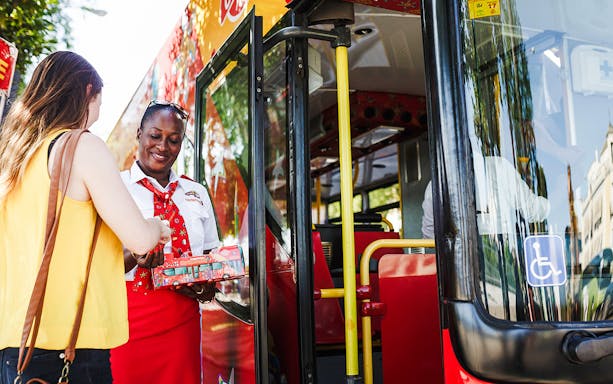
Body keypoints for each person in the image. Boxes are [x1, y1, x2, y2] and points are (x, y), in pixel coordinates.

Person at [0, 51, 171, 384]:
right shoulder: (79, 147)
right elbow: (139, 238)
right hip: (68, 351)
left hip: (13, 348)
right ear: (87, 91)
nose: (97, 115)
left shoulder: (14, 158)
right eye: (99, 102)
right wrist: (157, 228)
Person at [109, 100, 220, 384]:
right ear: (139, 134)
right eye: (155, 136)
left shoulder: (195, 192)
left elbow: (209, 258)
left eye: (174, 139)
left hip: (182, 324)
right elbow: (98, 264)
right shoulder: (114, 187)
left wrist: (207, 285)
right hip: (127, 325)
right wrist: (137, 255)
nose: (163, 146)